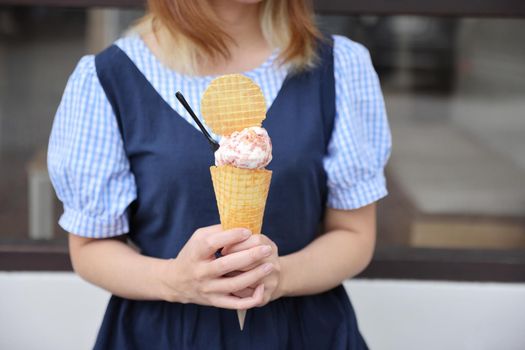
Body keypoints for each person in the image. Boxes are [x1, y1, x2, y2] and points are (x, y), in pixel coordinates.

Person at [48, 0, 391, 348]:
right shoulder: (109, 77)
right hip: (163, 333)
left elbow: (354, 234)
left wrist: (279, 276)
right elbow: (90, 248)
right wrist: (174, 280)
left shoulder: (339, 66)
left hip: (302, 332)